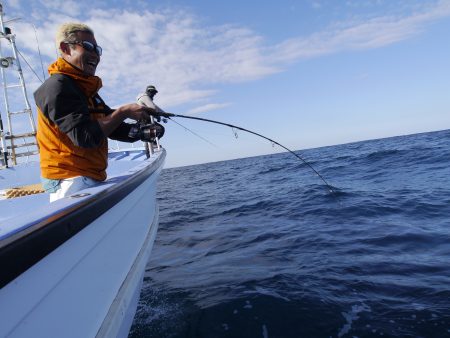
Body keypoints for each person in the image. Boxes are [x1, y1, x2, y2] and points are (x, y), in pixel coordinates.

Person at [34, 22, 163, 202]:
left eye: (97, 49)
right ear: (65, 49)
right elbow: (85, 136)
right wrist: (123, 111)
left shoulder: (85, 90)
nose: (94, 54)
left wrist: (142, 132)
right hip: (69, 180)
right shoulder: (57, 87)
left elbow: (112, 127)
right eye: (87, 46)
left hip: (87, 177)